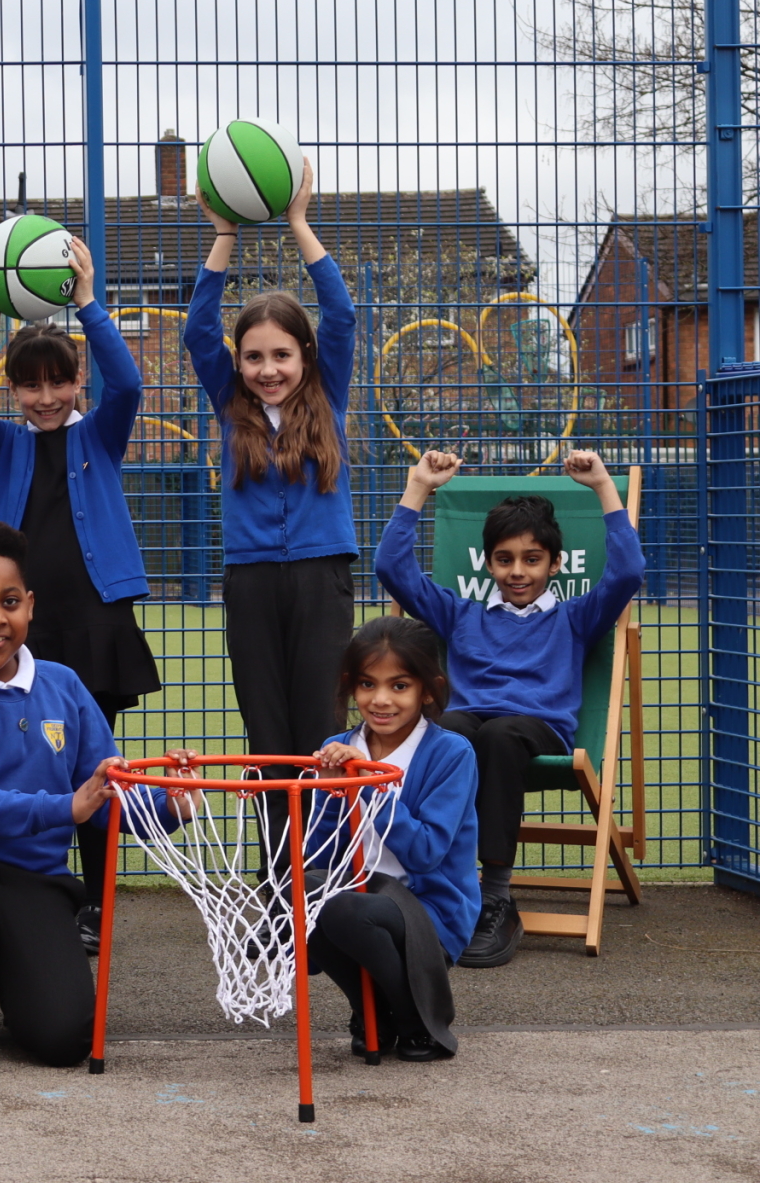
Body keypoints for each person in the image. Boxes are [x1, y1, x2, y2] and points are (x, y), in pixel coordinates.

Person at [0, 520, 188, 1065]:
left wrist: (172, 806)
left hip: (32, 876)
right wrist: (63, 806)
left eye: (9, 602)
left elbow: (103, 799)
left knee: (64, 1040)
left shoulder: (64, 686)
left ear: (29, 605)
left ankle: (19, 955)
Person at [0, 242, 160, 950]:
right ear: (14, 392)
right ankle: (35, 894)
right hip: (25, 633)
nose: (44, 398)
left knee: (95, 767)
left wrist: (89, 303)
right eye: (29, 387)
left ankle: (97, 905)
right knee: (23, 764)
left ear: (77, 383)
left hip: (93, 622)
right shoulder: (4, 446)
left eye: (58, 383)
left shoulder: (102, 433)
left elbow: (128, 383)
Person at [373, 448, 643, 966]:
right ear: (488, 562)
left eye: (532, 559)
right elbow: (391, 567)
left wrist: (605, 489)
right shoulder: (461, 615)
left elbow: (627, 573)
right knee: (442, 730)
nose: (518, 572)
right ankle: (425, 878)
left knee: (497, 737)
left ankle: (495, 896)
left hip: (535, 730)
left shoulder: (576, 618)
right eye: (505, 559)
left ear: (554, 563)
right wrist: (419, 487)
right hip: (470, 728)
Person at [184, 157, 355, 875]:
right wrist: (224, 234)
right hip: (252, 581)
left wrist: (298, 225)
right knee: (265, 729)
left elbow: (342, 313)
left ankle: (324, 868)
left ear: (304, 355)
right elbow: (198, 330)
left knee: (319, 722)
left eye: (281, 354)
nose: (267, 368)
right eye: (253, 355)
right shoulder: (232, 404)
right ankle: (278, 870)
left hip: (321, 577)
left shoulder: (330, 394)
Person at [309, 616, 481, 1062]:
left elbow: (426, 853)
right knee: (308, 893)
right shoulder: (337, 747)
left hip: (428, 907)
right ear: (352, 687)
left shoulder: (450, 752)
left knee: (346, 908)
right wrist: (331, 793)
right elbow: (319, 856)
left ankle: (416, 1018)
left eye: (399, 686)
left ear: (428, 689)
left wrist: (365, 784)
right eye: (367, 684)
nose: (380, 699)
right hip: (361, 897)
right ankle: (370, 1012)